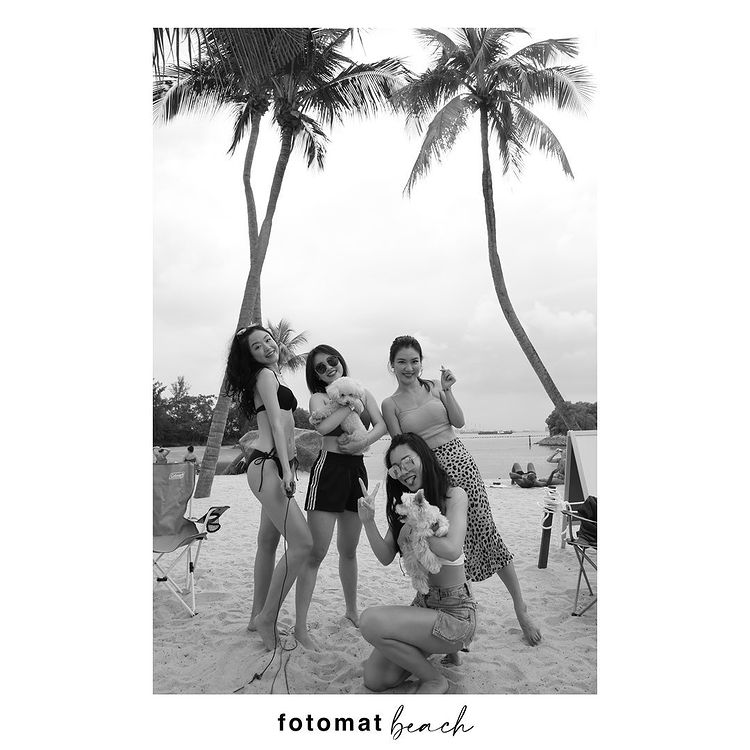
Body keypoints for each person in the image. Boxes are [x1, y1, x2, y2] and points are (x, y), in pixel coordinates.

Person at [381, 335, 542, 645]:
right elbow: (401, 446)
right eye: (402, 362)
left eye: (414, 361)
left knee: (487, 532)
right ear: (392, 365)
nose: (409, 367)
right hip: (428, 474)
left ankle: (520, 609)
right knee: (441, 541)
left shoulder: (435, 387)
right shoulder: (391, 404)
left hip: (460, 462)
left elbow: (459, 421)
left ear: (421, 363)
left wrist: (448, 390)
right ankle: (448, 611)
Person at [357, 432, 476, 694]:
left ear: (423, 457)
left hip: (455, 613)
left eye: (408, 461)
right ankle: (437, 654)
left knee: (369, 621)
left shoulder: (453, 496)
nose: (402, 471)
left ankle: (434, 679)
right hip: (423, 607)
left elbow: (452, 549)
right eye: (395, 468)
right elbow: (385, 556)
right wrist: (368, 521)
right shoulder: (404, 508)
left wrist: (416, 530)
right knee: (375, 679)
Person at [225, 325, 313, 651]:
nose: (266, 346)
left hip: (269, 466)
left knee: (268, 542)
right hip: (268, 466)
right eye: (257, 346)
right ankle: (267, 618)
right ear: (251, 357)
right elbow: (276, 423)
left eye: (267, 340)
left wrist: (287, 465)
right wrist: (288, 470)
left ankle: (255, 616)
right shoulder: (264, 375)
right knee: (303, 543)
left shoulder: (272, 375)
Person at [293, 344, 387, 649]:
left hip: (356, 470)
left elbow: (382, 424)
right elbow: (324, 428)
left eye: (331, 361)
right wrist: (349, 404)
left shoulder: (363, 391)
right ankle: (300, 627)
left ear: (340, 360)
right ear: (316, 376)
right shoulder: (319, 398)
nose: (329, 368)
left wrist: (363, 441)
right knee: (316, 553)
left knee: (349, 550)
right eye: (320, 367)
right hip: (328, 470)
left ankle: (351, 610)